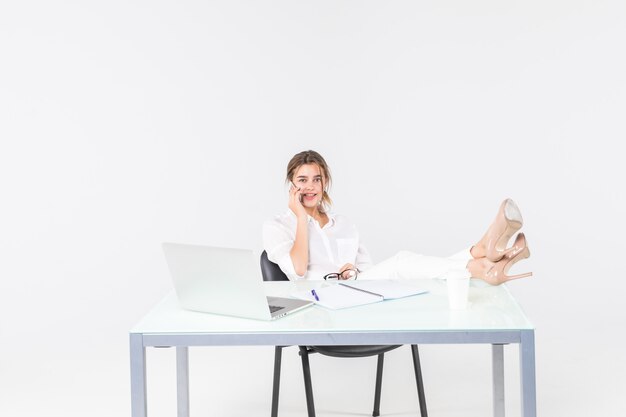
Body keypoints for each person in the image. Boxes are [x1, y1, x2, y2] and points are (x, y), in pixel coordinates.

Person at [262, 150, 532, 285]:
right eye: (302, 180)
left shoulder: (344, 225)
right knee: (403, 263)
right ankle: (482, 257)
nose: (310, 187)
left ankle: (484, 260)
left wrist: (352, 272)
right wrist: (300, 218)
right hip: (319, 305)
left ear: (325, 184)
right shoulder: (277, 227)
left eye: (316, 180)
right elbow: (297, 271)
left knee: (412, 278)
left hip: (356, 294)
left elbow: (369, 273)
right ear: (291, 184)